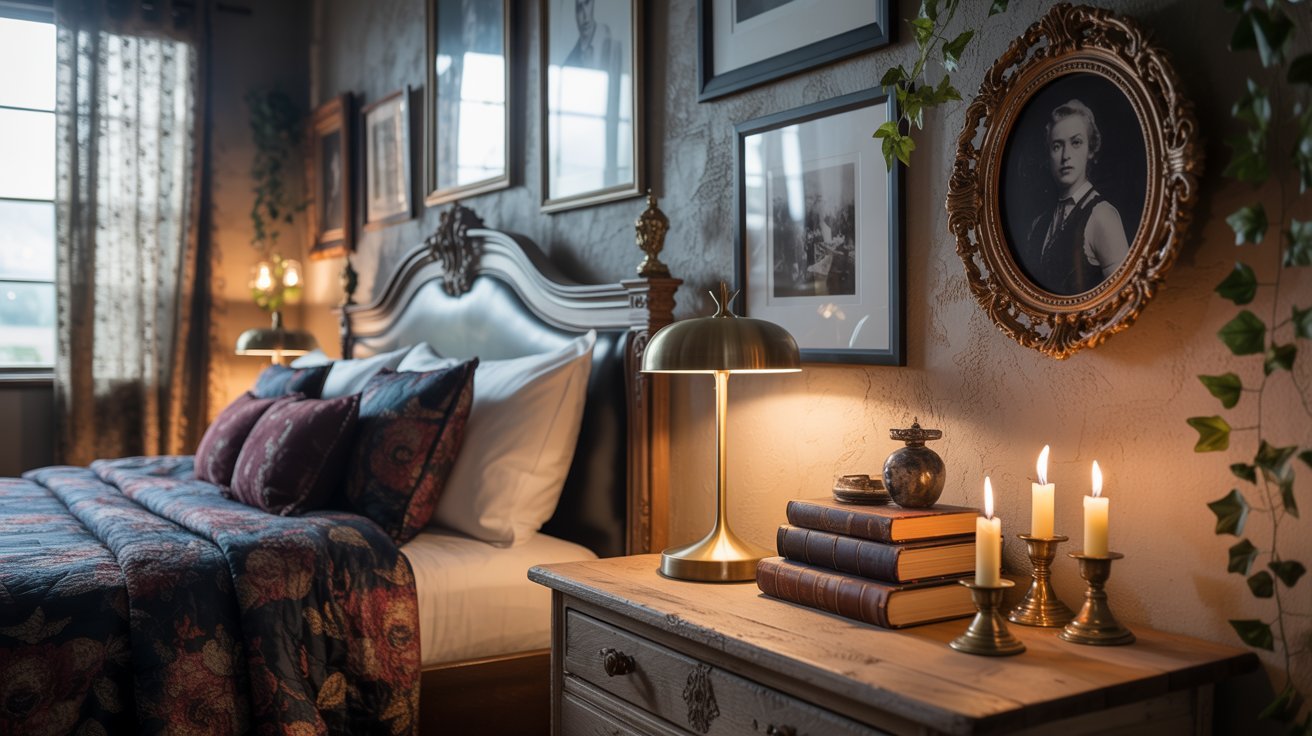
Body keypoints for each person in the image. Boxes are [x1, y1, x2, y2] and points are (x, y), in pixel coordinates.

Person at [1022, 99, 1130, 295]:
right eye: (1057, 146)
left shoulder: (1102, 216)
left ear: (1090, 149)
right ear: (1048, 154)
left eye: (1076, 142)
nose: (1066, 156)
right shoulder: (1038, 224)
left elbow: (1122, 297)